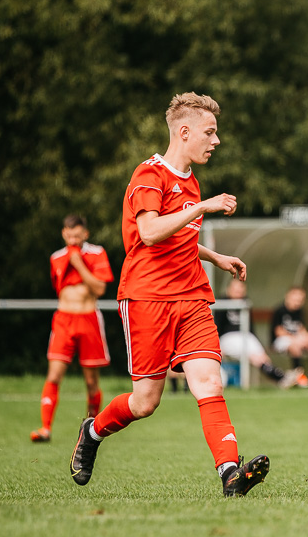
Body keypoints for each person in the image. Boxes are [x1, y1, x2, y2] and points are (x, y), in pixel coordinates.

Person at [69, 92, 269, 497]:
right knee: (145, 402)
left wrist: (214, 257)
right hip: (147, 299)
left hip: (192, 296)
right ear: (185, 132)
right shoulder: (149, 175)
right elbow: (149, 232)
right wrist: (202, 207)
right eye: (210, 132)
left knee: (209, 382)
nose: (216, 141)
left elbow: (179, 237)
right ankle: (92, 432)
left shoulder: (191, 181)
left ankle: (230, 473)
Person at [30, 214, 114, 443]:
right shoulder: (56, 257)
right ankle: (45, 428)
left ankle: (91, 431)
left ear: (85, 234)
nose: (73, 240)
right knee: (54, 375)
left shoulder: (96, 253)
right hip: (64, 320)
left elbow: (99, 289)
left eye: (77, 236)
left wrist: (78, 263)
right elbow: (61, 290)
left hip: (89, 320)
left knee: (91, 383)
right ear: (63, 234)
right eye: (69, 236)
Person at [216, 278, 299, 388]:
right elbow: (217, 326)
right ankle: (281, 377)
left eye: (241, 289)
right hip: (229, 338)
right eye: (236, 289)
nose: (238, 292)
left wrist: (255, 340)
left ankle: (282, 378)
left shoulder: (246, 303)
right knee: (254, 357)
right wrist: (217, 345)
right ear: (229, 289)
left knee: (262, 356)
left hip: (246, 335)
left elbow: (250, 326)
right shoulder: (222, 303)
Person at [271, 286, 308, 389]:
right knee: (296, 345)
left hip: (297, 338)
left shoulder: (299, 311)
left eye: (300, 300)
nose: (298, 302)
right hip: (281, 341)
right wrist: (296, 338)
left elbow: (300, 328)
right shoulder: (279, 311)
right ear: (288, 297)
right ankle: (298, 375)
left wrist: (307, 337)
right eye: (295, 299)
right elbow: (278, 332)